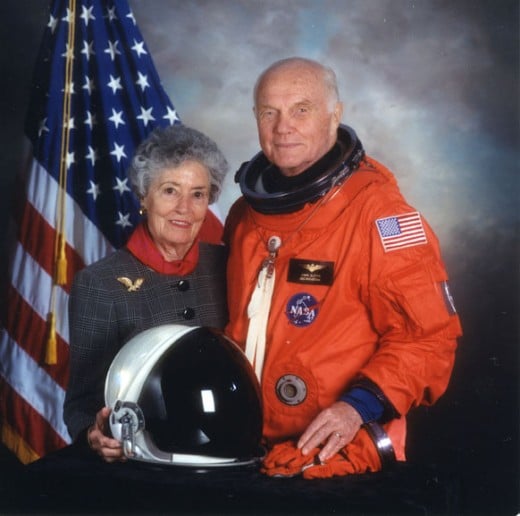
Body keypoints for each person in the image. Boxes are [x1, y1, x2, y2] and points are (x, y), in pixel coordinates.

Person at [223, 57, 462, 478]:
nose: (283, 127)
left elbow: (428, 339)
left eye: (302, 109)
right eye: (269, 112)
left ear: (335, 115)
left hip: (343, 444)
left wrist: (357, 409)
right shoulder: (244, 216)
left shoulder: (383, 215)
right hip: (244, 443)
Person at [63, 124, 229, 462]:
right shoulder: (99, 283)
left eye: (198, 194)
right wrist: (93, 436)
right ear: (143, 196)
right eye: (170, 191)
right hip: (144, 461)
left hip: (227, 450)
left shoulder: (226, 264)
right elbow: (80, 405)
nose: (184, 207)